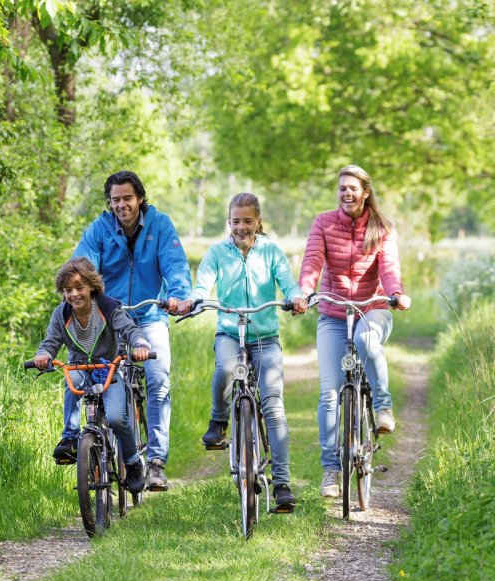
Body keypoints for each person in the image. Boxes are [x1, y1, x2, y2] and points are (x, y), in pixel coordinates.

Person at [179, 192, 307, 511]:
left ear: (258, 221)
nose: (241, 227)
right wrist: (195, 299)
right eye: (235, 221)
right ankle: (218, 421)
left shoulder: (272, 252)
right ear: (229, 222)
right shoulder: (217, 253)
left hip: (265, 336)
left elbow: (288, 284)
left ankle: (282, 483)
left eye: (247, 221)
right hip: (229, 332)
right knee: (224, 368)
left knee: (274, 407)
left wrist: (296, 297)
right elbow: (202, 283)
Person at [73, 170, 191, 491]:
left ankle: (155, 462)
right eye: (116, 200)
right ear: (109, 203)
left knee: (157, 378)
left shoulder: (160, 225)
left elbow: (175, 264)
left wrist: (178, 295)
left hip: (150, 314)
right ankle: (118, 452)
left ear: (139, 198)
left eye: (127, 198)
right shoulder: (99, 229)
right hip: (110, 319)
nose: (122, 205)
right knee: (101, 379)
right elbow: (83, 265)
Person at [298, 164, 411, 498]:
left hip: (372, 308)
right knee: (329, 392)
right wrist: (305, 292)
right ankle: (331, 471)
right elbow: (312, 262)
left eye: (352, 188)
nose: (346, 193)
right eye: (341, 188)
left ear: (365, 192)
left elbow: (389, 269)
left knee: (365, 339)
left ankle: (382, 406)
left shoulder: (382, 227)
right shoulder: (323, 222)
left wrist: (397, 294)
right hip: (333, 313)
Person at [32, 257, 151, 494]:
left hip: (109, 368)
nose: (74, 294)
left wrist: (140, 344)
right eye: (68, 290)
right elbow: (51, 342)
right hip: (80, 368)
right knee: (71, 381)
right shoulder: (61, 314)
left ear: (92, 287)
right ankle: (70, 439)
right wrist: (43, 354)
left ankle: (132, 462)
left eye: (79, 288)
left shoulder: (108, 308)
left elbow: (130, 330)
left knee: (117, 418)